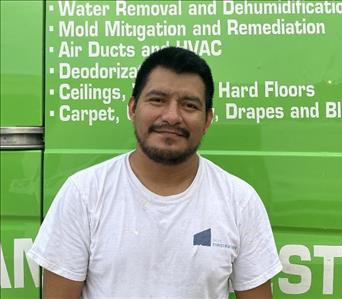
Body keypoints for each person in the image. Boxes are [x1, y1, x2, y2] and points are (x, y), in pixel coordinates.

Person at [28, 47, 282, 299]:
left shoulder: (240, 201)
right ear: (132, 108)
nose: (172, 116)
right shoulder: (84, 193)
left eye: (189, 105)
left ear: (207, 120)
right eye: (157, 100)